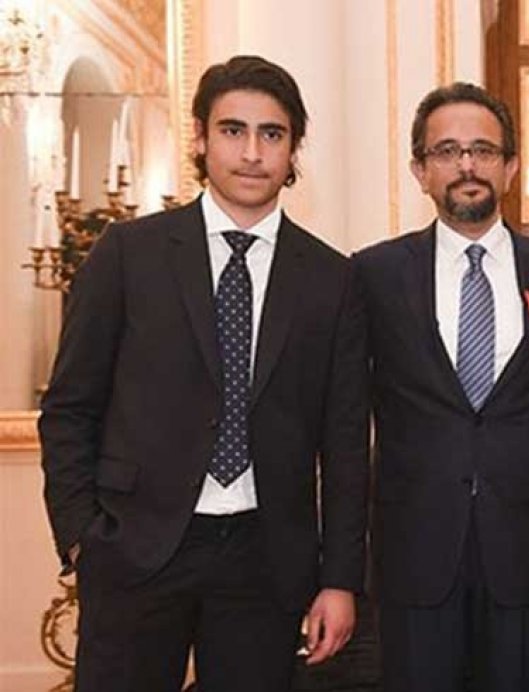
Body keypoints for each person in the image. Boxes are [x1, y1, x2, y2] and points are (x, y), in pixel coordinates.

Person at [39, 55, 370, 692]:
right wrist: (83, 539)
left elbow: (346, 442)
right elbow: (70, 407)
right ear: (200, 137)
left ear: (294, 149)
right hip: (134, 550)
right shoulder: (128, 254)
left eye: (272, 134)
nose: (252, 153)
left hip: (266, 561)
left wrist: (339, 578)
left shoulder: (333, 278)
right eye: (232, 130)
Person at [354, 82, 529, 692]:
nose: (467, 165)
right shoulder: (373, 275)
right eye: (447, 151)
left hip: (527, 553)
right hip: (416, 554)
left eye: (483, 150)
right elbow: (346, 416)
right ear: (420, 170)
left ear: (510, 166)